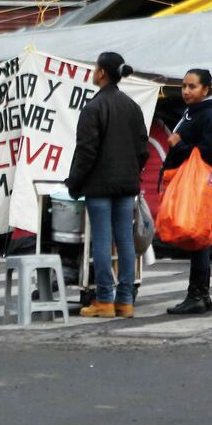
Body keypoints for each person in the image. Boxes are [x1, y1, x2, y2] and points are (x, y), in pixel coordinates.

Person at [65, 52, 149, 318]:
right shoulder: (133, 107)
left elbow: (86, 151)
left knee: (101, 240)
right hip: (126, 185)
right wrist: (131, 172)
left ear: (102, 73)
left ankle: (104, 299)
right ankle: (125, 301)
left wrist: (74, 182)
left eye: (95, 68)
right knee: (124, 240)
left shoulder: (93, 108)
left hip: (99, 186)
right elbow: (143, 149)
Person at [163, 68, 212, 315]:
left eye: (192, 86)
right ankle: (200, 295)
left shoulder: (209, 114)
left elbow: (211, 151)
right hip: (193, 179)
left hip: (197, 181)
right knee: (198, 237)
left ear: (205, 89)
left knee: (198, 236)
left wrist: (180, 145)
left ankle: (197, 295)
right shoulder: (194, 111)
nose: (186, 91)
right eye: (184, 86)